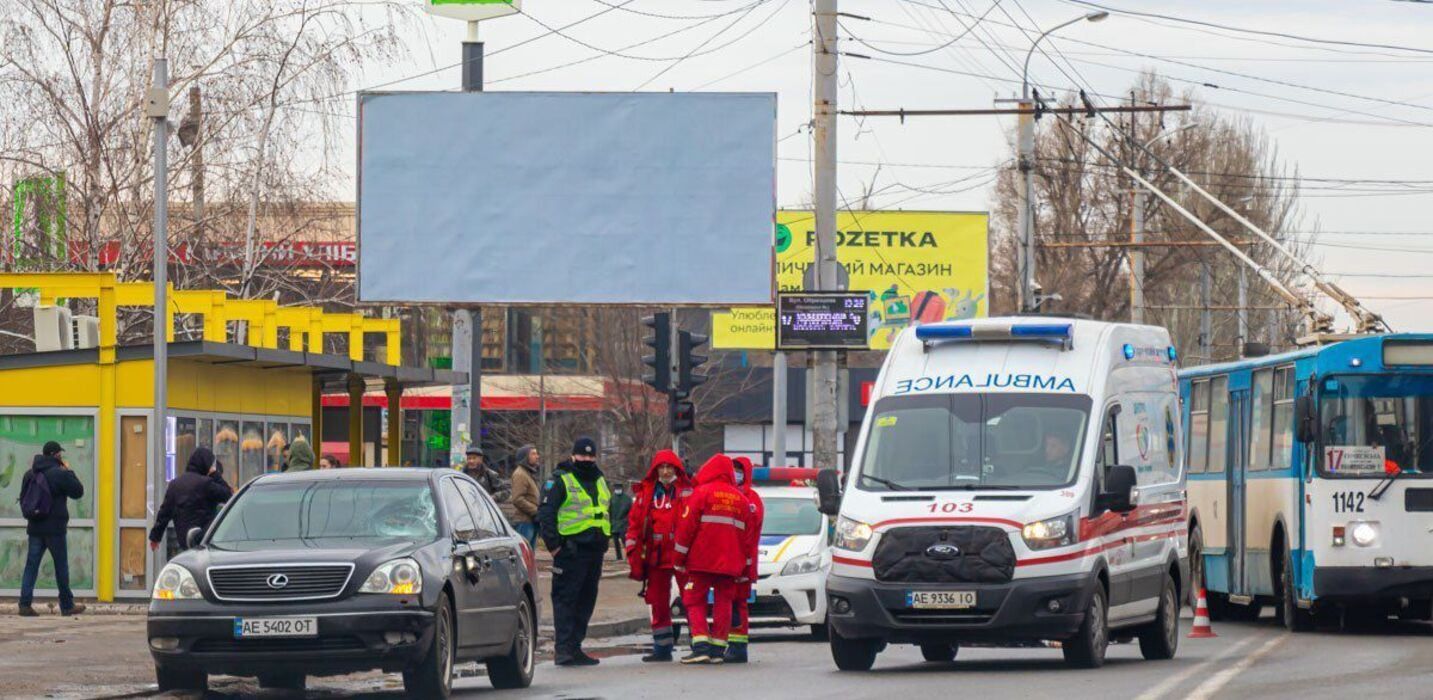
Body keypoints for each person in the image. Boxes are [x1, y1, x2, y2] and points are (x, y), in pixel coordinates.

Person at [674, 454, 758, 664]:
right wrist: (746, 569)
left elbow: (686, 530)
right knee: (724, 602)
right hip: (731, 564)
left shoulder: (700, 493)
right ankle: (718, 649)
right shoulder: (741, 499)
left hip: (701, 560)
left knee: (693, 600)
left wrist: (679, 559)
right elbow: (748, 539)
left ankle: (701, 645)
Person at [537, 437, 610, 667]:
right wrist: (554, 546)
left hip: (594, 550)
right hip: (570, 551)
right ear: (573, 455)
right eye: (582, 455)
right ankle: (563, 649)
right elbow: (546, 514)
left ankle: (575, 647)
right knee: (566, 600)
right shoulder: (560, 479)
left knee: (586, 600)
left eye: (591, 456)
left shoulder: (599, 478)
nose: (587, 459)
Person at [625, 449, 693, 662]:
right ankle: (662, 648)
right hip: (656, 555)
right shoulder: (646, 493)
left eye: (669, 467)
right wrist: (632, 552)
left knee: (692, 598)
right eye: (661, 468)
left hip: (683, 554)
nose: (665, 471)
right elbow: (634, 524)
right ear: (656, 470)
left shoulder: (688, 490)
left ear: (676, 469)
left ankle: (698, 643)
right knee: (657, 601)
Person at [17, 441, 86, 617]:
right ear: (56, 455)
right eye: (60, 455)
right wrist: (68, 470)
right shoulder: (59, 474)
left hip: (35, 528)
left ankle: (24, 604)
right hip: (55, 529)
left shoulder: (29, 474)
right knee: (61, 567)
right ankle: (67, 605)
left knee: (31, 566)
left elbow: (24, 498)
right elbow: (78, 491)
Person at [148, 447, 233, 553]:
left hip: (183, 540)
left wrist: (155, 537)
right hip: (205, 539)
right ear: (206, 464)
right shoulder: (206, 483)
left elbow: (164, 514)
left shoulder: (175, 484)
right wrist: (215, 474)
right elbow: (229, 496)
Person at [727, 456, 764, 664]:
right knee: (729, 602)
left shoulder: (752, 499)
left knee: (739, 602)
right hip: (729, 557)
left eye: (740, 470)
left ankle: (739, 646)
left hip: (744, 558)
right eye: (733, 470)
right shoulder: (729, 495)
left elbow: (750, 531)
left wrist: (746, 561)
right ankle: (731, 643)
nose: (736, 474)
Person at [509, 445, 542, 547]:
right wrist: (536, 511)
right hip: (524, 522)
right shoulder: (520, 474)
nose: (537, 456)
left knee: (530, 556)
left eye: (537, 453)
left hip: (531, 521)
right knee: (524, 555)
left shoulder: (528, 473)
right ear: (525, 457)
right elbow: (517, 499)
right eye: (533, 453)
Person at [609, 480, 633, 562]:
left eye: (619, 488)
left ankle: (629, 555)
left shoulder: (627, 499)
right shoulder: (612, 498)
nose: (617, 489)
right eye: (616, 488)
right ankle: (619, 557)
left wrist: (629, 521)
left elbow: (632, 511)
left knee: (624, 539)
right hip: (614, 523)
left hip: (624, 523)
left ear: (622, 488)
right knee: (615, 541)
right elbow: (609, 510)